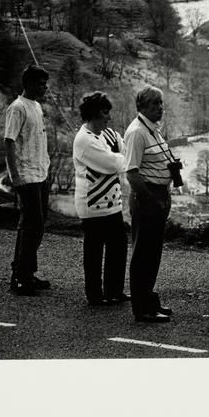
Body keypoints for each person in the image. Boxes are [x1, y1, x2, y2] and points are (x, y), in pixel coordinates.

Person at [123, 86, 179, 323]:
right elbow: (132, 173)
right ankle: (142, 308)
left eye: (161, 103)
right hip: (147, 197)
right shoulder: (137, 132)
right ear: (142, 107)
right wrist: (150, 200)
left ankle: (149, 300)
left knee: (152, 253)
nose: (160, 108)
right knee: (143, 254)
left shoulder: (153, 130)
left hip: (159, 196)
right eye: (154, 104)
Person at [72, 91, 129, 306]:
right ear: (94, 114)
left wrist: (119, 156)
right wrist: (121, 158)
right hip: (93, 204)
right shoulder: (84, 140)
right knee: (94, 249)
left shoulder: (107, 135)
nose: (109, 117)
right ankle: (94, 294)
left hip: (112, 203)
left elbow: (123, 151)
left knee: (118, 245)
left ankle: (114, 290)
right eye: (105, 112)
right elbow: (113, 164)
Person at [4, 64, 51, 296]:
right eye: (41, 83)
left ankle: (27, 271)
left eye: (45, 83)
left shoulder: (37, 107)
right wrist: (15, 175)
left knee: (38, 225)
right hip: (26, 175)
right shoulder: (18, 107)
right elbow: (9, 141)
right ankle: (20, 278)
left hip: (41, 173)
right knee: (30, 225)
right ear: (29, 83)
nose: (44, 87)